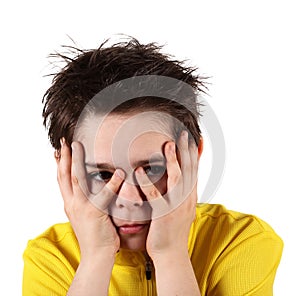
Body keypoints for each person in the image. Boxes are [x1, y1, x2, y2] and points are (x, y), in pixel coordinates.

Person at [22, 38, 283, 296]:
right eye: (103, 174)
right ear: (66, 170)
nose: (131, 200)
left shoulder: (241, 241)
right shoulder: (49, 258)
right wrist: (95, 258)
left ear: (192, 155)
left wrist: (170, 253)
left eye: (151, 169)